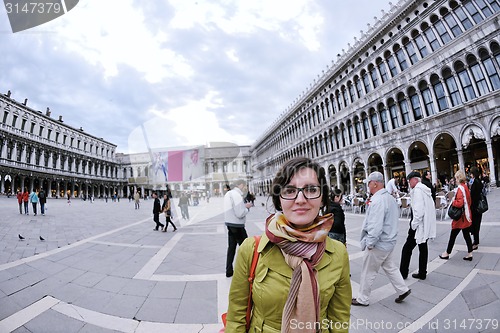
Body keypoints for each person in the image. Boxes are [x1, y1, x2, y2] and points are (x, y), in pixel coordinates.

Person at [225, 157, 351, 332]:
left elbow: (339, 320)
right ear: (279, 199)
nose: (300, 199)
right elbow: (236, 317)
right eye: (290, 190)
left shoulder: (338, 253)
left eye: (311, 189)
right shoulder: (252, 249)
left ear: (322, 198)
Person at [352, 171, 411, 306]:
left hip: (379, 243)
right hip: (388, 241)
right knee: (390, 267)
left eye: (369, 183)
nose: (368, 185)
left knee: (368, 271)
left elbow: (375, 225)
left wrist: (370, 243)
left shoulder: (378, 200)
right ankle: (403, 290)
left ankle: (363, 298)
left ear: (375, 183)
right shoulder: (389, 198)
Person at [399, 172, 436, 280]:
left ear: (415, 180)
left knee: (407, 248)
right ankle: (422, 272)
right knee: (423, 247)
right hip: (424, 224)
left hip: (418, 225)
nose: (408, 183)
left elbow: (418, 211)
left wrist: (413, 225)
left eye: (409, 180)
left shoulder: (418, 191)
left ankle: (403, 273)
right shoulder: (424, 189)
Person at [439, 170, 473, 261]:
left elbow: (460, 203)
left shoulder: (460, 188)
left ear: (458, 178)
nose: (455, 179)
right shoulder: (465, 187)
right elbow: (469, 201)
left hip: (460, 218)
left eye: (456, 178)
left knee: (453, 235)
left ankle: (447, 253)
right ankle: (470, 253)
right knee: (466, 235)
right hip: (465, 215)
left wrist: (453, 202)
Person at [224, 179, 252, 278]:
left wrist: (242, 206)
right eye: (245, 186)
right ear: (241, 185)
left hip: (229, 223)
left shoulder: (228, 194)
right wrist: (247, 207)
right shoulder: (237, 195)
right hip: (237, 225)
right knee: (247, 248)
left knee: (231, 248)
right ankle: (249, 270)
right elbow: (240, 213)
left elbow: (232, 208)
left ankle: (229, 270)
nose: (245, 188)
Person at [469, 167, 483, 250]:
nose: (470, 175)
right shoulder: (478, 181)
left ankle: (476, 242)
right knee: (476, 224)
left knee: (475, 225)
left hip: (475, 207)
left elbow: (474, 196)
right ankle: (475, 240)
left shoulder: (476, 182)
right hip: (477, 207)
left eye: (471, 173)